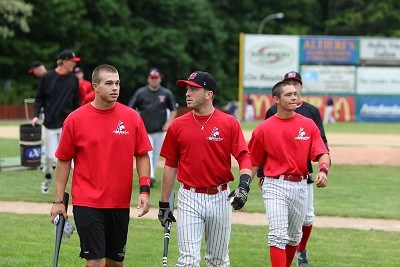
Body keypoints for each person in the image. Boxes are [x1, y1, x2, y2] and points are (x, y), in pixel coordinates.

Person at [50, 64, 152, 267]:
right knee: (95, 260)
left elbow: (142, 155)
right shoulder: (75, 119)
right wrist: (58, 201)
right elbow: (63, 161)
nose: (115, 88)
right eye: (109, 83)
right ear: (95, 86)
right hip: (86, 201)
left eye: (117, 83)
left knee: (116, 262)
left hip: (119, 202)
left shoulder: (132, 117)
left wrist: (144, 190)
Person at [158, 71, 253, 266]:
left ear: (209, 94)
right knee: (188, 261)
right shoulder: (177, 125)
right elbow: (170, 165)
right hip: (189, 197)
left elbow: (244, 156)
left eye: (194, 89)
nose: (188, 93)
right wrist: (163, 203)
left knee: (218, 260)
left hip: (220, 197)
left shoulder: (228, 122)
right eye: (187, 89)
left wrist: (244, 187)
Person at [248, 80, 330, 267]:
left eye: (295, 94)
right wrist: (244, 186)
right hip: (274, 184)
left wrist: (323, 170)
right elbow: (253, 161)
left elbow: (322, 152)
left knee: (293, 238)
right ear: (276, 99)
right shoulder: (264, 128)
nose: (294, 97)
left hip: (300, 185)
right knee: (277, 234)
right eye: (288, 94)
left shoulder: (308, 124)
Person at [32, 49, 81, 194]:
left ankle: (71, 188)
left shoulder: (73, 80)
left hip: (67, 125)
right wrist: (36, 115)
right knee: (50, 157)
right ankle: (47, 176)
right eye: (72, 61)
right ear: (64, 61)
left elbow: (76, 102)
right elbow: (39, 98)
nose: (74, 64)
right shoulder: (47, 77)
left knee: (69, 158)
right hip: (50, 124)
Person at [128, 68, 178, 187]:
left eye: (156, 78)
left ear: (160, 79)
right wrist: (136, 123)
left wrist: (169, 123)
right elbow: (131, 108)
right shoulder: (141, 92)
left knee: (156, 154)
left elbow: (173, 109)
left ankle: (152, 173)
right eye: (152, 78)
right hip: (145, 129)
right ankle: (150, 176)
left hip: (160, 129)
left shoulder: (166, 93)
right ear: (148, 79)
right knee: (148, 153)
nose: (154, 80)